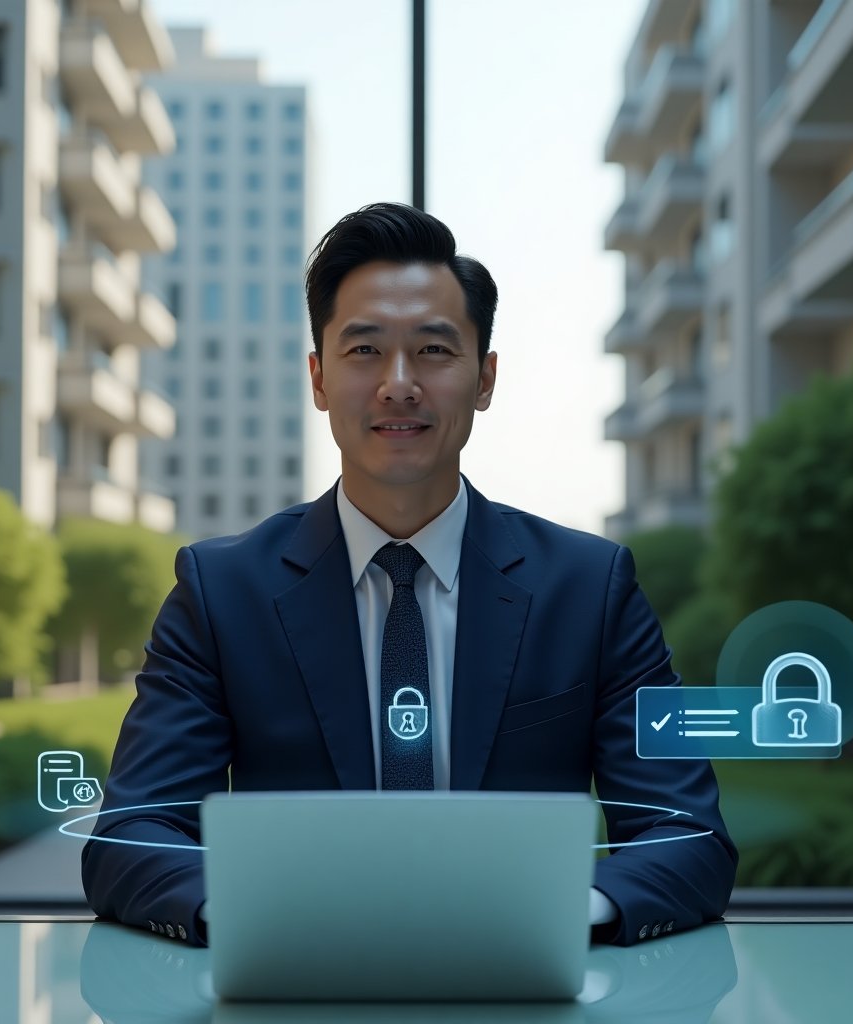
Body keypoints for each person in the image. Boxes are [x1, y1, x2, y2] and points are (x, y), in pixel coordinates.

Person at [82, 202, 737, 947]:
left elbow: (685, 833)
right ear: (319, 378)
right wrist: (248, 917)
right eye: (364, 352)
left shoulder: (591, 588)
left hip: (521, 991)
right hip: (297, 985)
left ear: (484, 378)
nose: (399, 384)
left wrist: (562, 914)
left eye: (434, 351)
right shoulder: (222, 591)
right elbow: (133, 832)